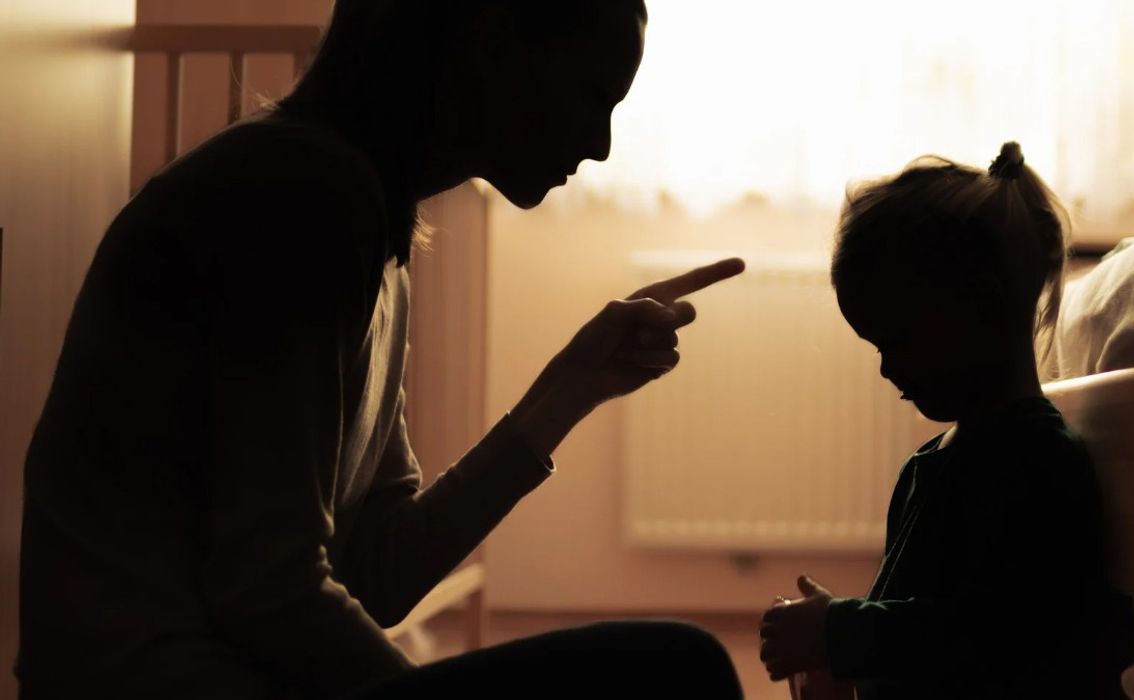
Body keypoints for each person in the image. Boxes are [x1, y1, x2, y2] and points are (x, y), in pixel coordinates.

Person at [17, 1, 745, 697]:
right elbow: (270, 594)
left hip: (225, 674)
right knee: (677, 669)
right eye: (591, 95)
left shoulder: (366, 219)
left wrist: (569, 389)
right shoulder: (299, 195)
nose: (600, 144)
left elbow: (378, 572)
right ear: (490, 48)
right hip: (161, 683)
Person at [759, 142, 1134, 699]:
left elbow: (1008, 632)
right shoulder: (926, 469)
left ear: (983, 306)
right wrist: (845, 668)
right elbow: (929, 635)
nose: (886, 368)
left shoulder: (1040, 461)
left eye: (899, 340)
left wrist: (843, 632)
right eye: (875, 347)